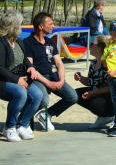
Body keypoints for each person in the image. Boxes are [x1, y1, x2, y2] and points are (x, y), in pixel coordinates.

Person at [23, 12, 79, 131]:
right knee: (43, 99)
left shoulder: (50, 42)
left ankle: (47, 114)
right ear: (41, 26)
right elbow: (30, 67)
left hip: (51, 75)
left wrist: (61, 80)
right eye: (51, 24)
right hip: (36, 77)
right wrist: (48, 84)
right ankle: (24, 119)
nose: (53, 26)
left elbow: (59, 63)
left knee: (73, 96)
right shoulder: (28, 43)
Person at [74, 35, 116, 129]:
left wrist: (92, 93)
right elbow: (91, 82)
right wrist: (80, 78)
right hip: (105, 92)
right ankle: (104, 117)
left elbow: (111, 87)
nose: (89, 46)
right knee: (75, 95)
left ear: (99, 48)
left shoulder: (107, 65)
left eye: (92, 44)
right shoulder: (93, 63)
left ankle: (112, 116)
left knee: (96, 105)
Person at [0, 10, 42, 141]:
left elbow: (25, 60)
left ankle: (21, 125)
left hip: (18, 78)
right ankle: (9, 127)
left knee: (37, 95)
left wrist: (31, 67)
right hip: (4, 80)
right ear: (14, 26)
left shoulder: (18, 42)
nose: (21, 27)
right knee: (20, 93)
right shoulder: (1, 43)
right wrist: (16, 80)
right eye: (20, 24)